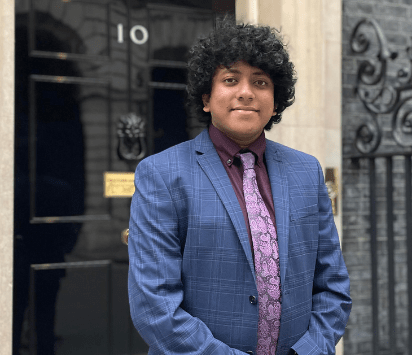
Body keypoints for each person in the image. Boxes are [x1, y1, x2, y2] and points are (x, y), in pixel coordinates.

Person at [127, 21, 351, 355]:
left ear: (275, 102)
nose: (246, 92)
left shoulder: (306, 170)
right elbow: (155, 307)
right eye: (230, 80)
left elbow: (332, 285)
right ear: (206, 98)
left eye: (260, 82)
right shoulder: (161, 174)